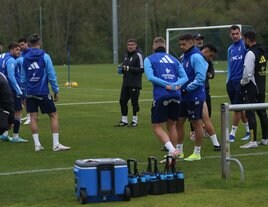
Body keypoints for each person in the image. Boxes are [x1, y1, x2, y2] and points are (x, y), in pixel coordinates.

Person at [21, 33, 70, 152]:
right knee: (53, 115)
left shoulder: (24, 58)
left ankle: (37, 145)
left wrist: (23, 94)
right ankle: (56, 144)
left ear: (29, 44)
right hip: (42, 91)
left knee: (33, 117)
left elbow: (22, 79)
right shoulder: (45, 56)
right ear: (39, 43)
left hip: (30, 92)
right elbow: (51, 75)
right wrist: (56, 90)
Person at [144, 36, 188, 159]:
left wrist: (167, 85)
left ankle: (172, 150)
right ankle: (171, 158)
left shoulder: (149, 59)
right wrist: (175, 85)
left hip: (161, 95)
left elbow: (150, 77)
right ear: (165, 46)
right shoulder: (175, 60)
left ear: (154, 46)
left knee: (157, 126)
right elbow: (185, 78)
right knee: (172, 125)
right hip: (176, 95)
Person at [176, 34, 208, 161]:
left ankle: (197, 152)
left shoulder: (196, 56)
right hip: (183, 96)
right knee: (179, 122)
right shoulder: (184, 57)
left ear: (191, 43)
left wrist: (186, 88)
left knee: (196, 124)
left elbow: (200, 78)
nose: (181, 47)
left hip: (194, 96)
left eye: (184, 44)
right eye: (180, 44)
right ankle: (179, 151)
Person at [240, 30, 268, 148]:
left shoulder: (250, 53)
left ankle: (252, 141)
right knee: (262, 112)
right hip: (261, 86)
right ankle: (265, 138)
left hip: (252, 87)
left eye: (243, 39)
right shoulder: (262, 51)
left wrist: (242, 82)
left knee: (249, 112)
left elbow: (247, 73)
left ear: (247, 39)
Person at [0, 42, 28, 142]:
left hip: (2, 89)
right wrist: (19, 91)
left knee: (5, 111)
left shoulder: (1, 56)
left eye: (20, 50)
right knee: (18, 112)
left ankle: (4, 134)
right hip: (11, 89)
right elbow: (11, 77)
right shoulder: (11, 60)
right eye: (17, 50)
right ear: (11, 50)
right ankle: (15, 136)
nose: (19, 52)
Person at [226, 25, 250, 142]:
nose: (235, 36)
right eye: (233, 34)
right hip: (231, 82)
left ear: (240, 33)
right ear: (230, 35)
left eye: (237, 33)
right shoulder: (230, 49)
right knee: (239, 109)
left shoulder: (245, 46)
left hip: (241, 82)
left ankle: (232, 134)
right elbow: (229, 66)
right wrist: (228, 80)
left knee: (236, 108)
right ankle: (248, 130)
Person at [115, 39, 144, 127]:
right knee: (122, 101)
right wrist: (121, 70)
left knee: (134, 103)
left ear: (136, 46)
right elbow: (125, 67)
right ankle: (124, 120)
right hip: (126, 83)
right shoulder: (126, 55)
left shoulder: (139, 55)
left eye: (132, 45)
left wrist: (128, 68)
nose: (130, 46)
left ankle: (135, 120)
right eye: (129, 45)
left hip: (135, 83)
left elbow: (142, 69)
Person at [17, 37, 31, 125]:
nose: (21, 46)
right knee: (23, 99)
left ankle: (31, 116)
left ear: (27, 44)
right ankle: (28, 114)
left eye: (22, 44)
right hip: (22, 79)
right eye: (20, 45)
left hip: (29, 79)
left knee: (27, 98)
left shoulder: (30, 53)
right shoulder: (21, 54)